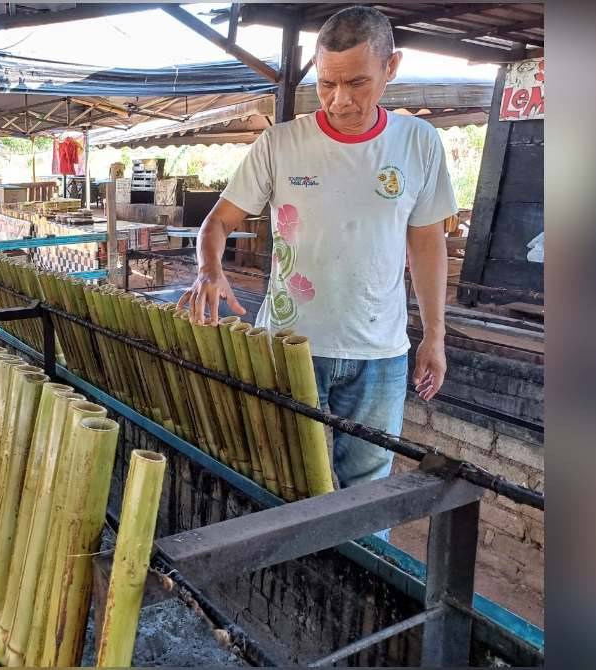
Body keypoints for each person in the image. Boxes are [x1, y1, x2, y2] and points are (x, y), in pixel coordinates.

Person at [177, 6, 455, 500]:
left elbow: (427, 241)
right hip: (288, 345)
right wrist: (208, 269)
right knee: (279, 480)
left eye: (356, 83)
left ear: (391, 67)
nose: (339, 100)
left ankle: (354, 575)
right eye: (327, 83)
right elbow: (218, 221)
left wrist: (434, 333)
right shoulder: (281, 144)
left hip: (379, 353)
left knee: (366, 493)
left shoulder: (419, 143)